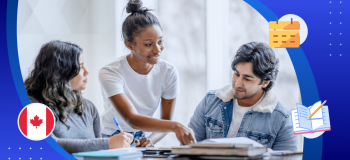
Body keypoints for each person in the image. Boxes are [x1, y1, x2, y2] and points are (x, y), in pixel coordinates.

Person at [99, 0, 195, 147]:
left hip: (142, 137)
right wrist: (176, 126)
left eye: (160, 41)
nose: (158, 50)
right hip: (111, 139)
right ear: (129, 44)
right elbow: (132, 119)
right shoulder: (110, 72)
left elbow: (165, 121)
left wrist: (150, 140)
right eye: (149, 44)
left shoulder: (168, 72)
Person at [24, 40, 134, 154]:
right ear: (62, 71)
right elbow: (48, 144)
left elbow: (97, 151)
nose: (87, 72)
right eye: (81, 67)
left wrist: (119, 143)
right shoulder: (32, 105)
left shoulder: (89, 107)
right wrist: (108, 143)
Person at [188, 42, 297, 151]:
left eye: (247, 79)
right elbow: (188, 147)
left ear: (265, 83)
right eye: (236, 74)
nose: (237, 83)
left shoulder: (282, 120)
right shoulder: (210, 101)